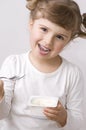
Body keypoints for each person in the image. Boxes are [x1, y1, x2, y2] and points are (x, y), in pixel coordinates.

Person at [0, 0, 86, 130]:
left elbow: (79, 123)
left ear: (68, 40)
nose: (48, 41)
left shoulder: (72, 73)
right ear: (31, 23)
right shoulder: (13, 64)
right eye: (44, 29)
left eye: (59, 37)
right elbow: (2, 114)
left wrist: (64, 117)